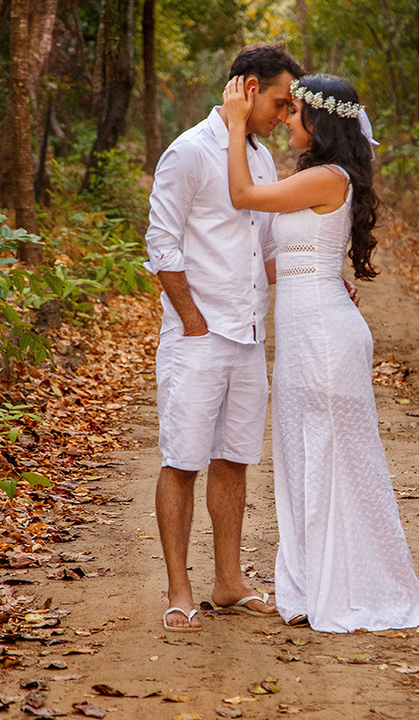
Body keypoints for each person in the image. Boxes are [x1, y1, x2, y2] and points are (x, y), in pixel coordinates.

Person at [222, 73, 419, 633]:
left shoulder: (327, 177)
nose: (287, 119)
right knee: (303, 462)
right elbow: (292, 258)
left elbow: (242, 196)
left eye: (295, 112)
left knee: (331, 460)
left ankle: (351, 586)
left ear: (320, 122)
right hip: (305, 336)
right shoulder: (320, 178)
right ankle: (315, 583)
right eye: (284, 111)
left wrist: (238, 124)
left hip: (323, 341)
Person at [144, 43, 304, 632]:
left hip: (247, 333)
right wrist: (190, 319)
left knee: (233, 460)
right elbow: (160, 244)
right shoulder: (188, 152)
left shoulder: (258, 160)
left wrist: (319, 284)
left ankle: (228, 583)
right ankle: (180, 586)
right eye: (282, 102)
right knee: (182, 459)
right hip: (198, 336)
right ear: (249, 87)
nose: (286, 116)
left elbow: (265, 249)